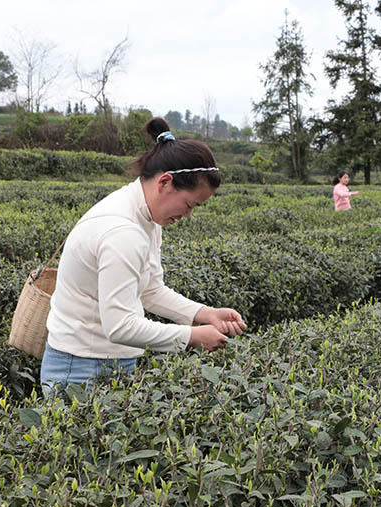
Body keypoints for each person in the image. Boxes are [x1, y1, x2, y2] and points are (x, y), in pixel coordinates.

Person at [41, 117, 247, 396]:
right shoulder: (122, 232)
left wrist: (203, 314)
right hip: (81, 368)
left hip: (108, 360)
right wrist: (191, 337)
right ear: (165, 182)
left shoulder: (147, 218)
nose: (187, 215)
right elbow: (120, 326)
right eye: (189, 205)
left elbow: (149, 289)